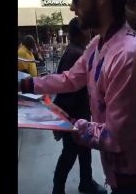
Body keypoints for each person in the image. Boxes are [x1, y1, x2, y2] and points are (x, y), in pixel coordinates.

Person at [19, 0, 136, 194]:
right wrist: (27, 84)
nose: (71, 7)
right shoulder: (97, 45)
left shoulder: (130, 56)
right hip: (118, 175)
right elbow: (70, 78)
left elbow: (114, 136)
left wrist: (69, 125)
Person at [52, 17, 106, 194]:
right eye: (86, 30)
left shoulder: (75, 51)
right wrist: (66, 119)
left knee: (83, 150)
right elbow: (67, 88)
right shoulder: (76, 54)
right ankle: (58, 188)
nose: (89, 33)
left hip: (79, 111)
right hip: (74, 114)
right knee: (70, 152)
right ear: (81, 32)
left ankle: (86, 182)